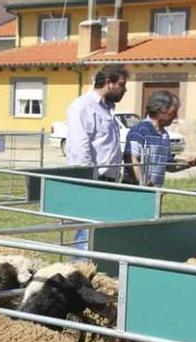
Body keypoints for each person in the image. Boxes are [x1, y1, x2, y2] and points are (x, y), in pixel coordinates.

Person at [64, 66, 129, 251]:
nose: (124, 90)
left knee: (100, 232)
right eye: (122, 85)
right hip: (92, 180)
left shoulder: (108, 109)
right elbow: (79, 145)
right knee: (87, 231)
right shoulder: (83, 106)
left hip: (109, 181)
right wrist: (88, 179)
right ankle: (81, 269)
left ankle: (94, 270)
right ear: (109, 83)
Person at [125, 90, 196, 188]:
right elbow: (131, 160)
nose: (175, 117)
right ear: (160, 111)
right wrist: (144, 182)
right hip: (135, 191)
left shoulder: (164, 135)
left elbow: (168, 165)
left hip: (154, 193)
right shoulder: (139, 131)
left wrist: (187, 163)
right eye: (172, 113)